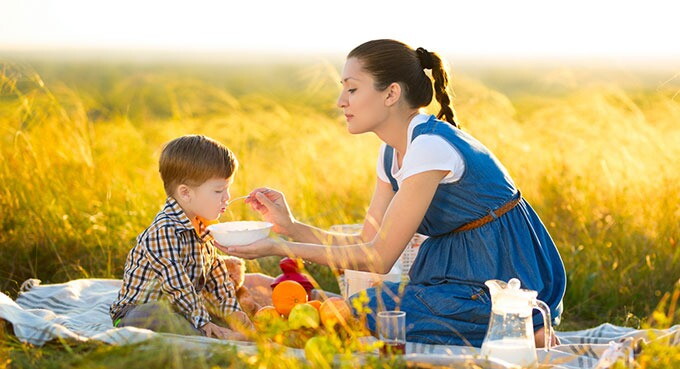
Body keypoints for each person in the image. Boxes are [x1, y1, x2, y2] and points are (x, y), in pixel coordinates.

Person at [220, 39, 566, 347]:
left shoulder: (429, 147)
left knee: (375, 311)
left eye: (352, 89)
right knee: (374, 308)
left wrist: (280, 248)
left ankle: (523, 326)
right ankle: (502, 327)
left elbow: (379, 258)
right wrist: (290, 227)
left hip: (506, 277)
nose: (341, 101)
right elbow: (367, 241)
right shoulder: (391, 154)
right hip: (457, 273)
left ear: (391, 93)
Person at [110, 135, 253, 340]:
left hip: (182, 309)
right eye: (219, 190)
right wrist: (203, 321)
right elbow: (178, 286)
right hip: (135, 312)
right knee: (154, 314)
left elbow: (216, 273)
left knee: (201, 311)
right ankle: (210, 333)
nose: (227, 197)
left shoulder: (202, 226)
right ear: (185, 193)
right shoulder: (164, 231)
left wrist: (232, 310)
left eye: (227, 189)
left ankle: (206, 327)